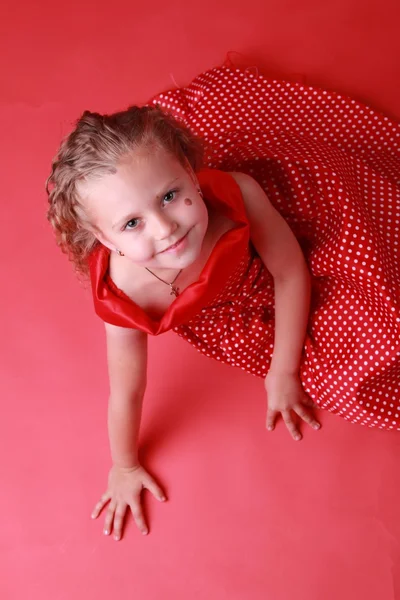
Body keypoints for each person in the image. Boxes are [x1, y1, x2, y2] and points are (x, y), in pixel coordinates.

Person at [46, 63, 400, 541]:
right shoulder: (125, 296)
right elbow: (126, 392)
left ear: (192, 175)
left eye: (170, 195)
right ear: (102, 238)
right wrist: (124, 465)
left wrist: (283, 371)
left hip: (281, 255)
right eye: (131, 224)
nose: (165, 228)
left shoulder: (238, 194)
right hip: (236, 314)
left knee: (382, 295)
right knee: (348, 381)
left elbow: (289, 270)